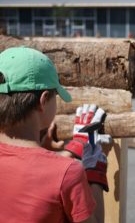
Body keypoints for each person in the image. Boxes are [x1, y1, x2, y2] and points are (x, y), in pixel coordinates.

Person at [0, 47, 108, 222]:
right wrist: (95, 171)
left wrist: (70, 148)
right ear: (43, 101)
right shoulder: (69, 173)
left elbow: (25, 170)